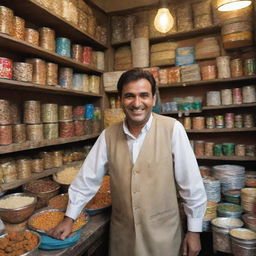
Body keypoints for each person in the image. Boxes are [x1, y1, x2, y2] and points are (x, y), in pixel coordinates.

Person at [48, 69, 207, 256]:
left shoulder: (172, 129)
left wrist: (194, 231)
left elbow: (191, 183)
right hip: (123, 236)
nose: (137, 103)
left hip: (163, 235)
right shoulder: (108, 135)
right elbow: (87, 179)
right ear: (121, 100)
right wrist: (69, 218)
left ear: (153, 99)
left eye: (144, 96)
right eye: (129, 96)